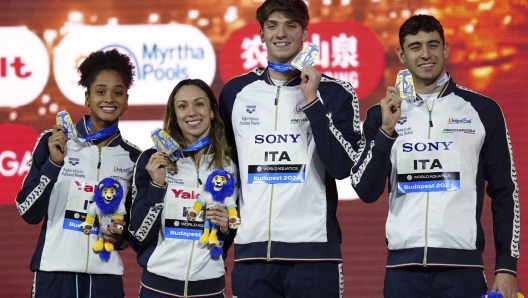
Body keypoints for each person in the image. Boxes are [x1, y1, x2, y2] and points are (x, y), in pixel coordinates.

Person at [356, 14, 519, 298]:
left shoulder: (483, 110)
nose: (426, 54)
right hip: (401, 273)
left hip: (463, 272)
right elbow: (367, 191)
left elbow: (506, 191)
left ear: (445, 49)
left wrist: (506, 267)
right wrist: (386, 132)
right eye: (415, 47)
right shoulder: (380, 115)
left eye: (433, 45)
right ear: (401, 54)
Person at [218, 0, 367, 296]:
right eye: (272, 25)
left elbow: (342, 167)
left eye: (290, 25)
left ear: (305, 33)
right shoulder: (236, 92)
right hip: (252, 253)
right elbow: (225, 168)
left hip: (314, 253)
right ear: (261, 34)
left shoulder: (334, 92)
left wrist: (312, 101)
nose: (281, 33)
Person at [15, 49, 141, 297]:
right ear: (87, 97)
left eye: (118, 92)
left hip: (106, 277)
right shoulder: (55, 142)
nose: (109, 99)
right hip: (54, 274)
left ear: (126, 100)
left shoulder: (134, 158)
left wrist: (120, 238)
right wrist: (54, 164)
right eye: (101, 91)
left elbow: (130, 231)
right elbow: (27, 211)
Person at [129, 79, 236, 298]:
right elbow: (137, 235)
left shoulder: (231, 162)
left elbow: (241, 221)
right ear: (174, 115)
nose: (191, 112)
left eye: (199, 104)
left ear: (212, 112)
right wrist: (157, 186)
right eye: (182, 106)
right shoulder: (153, 161)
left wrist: (228, 225)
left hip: (209, 289)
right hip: (158, 288)